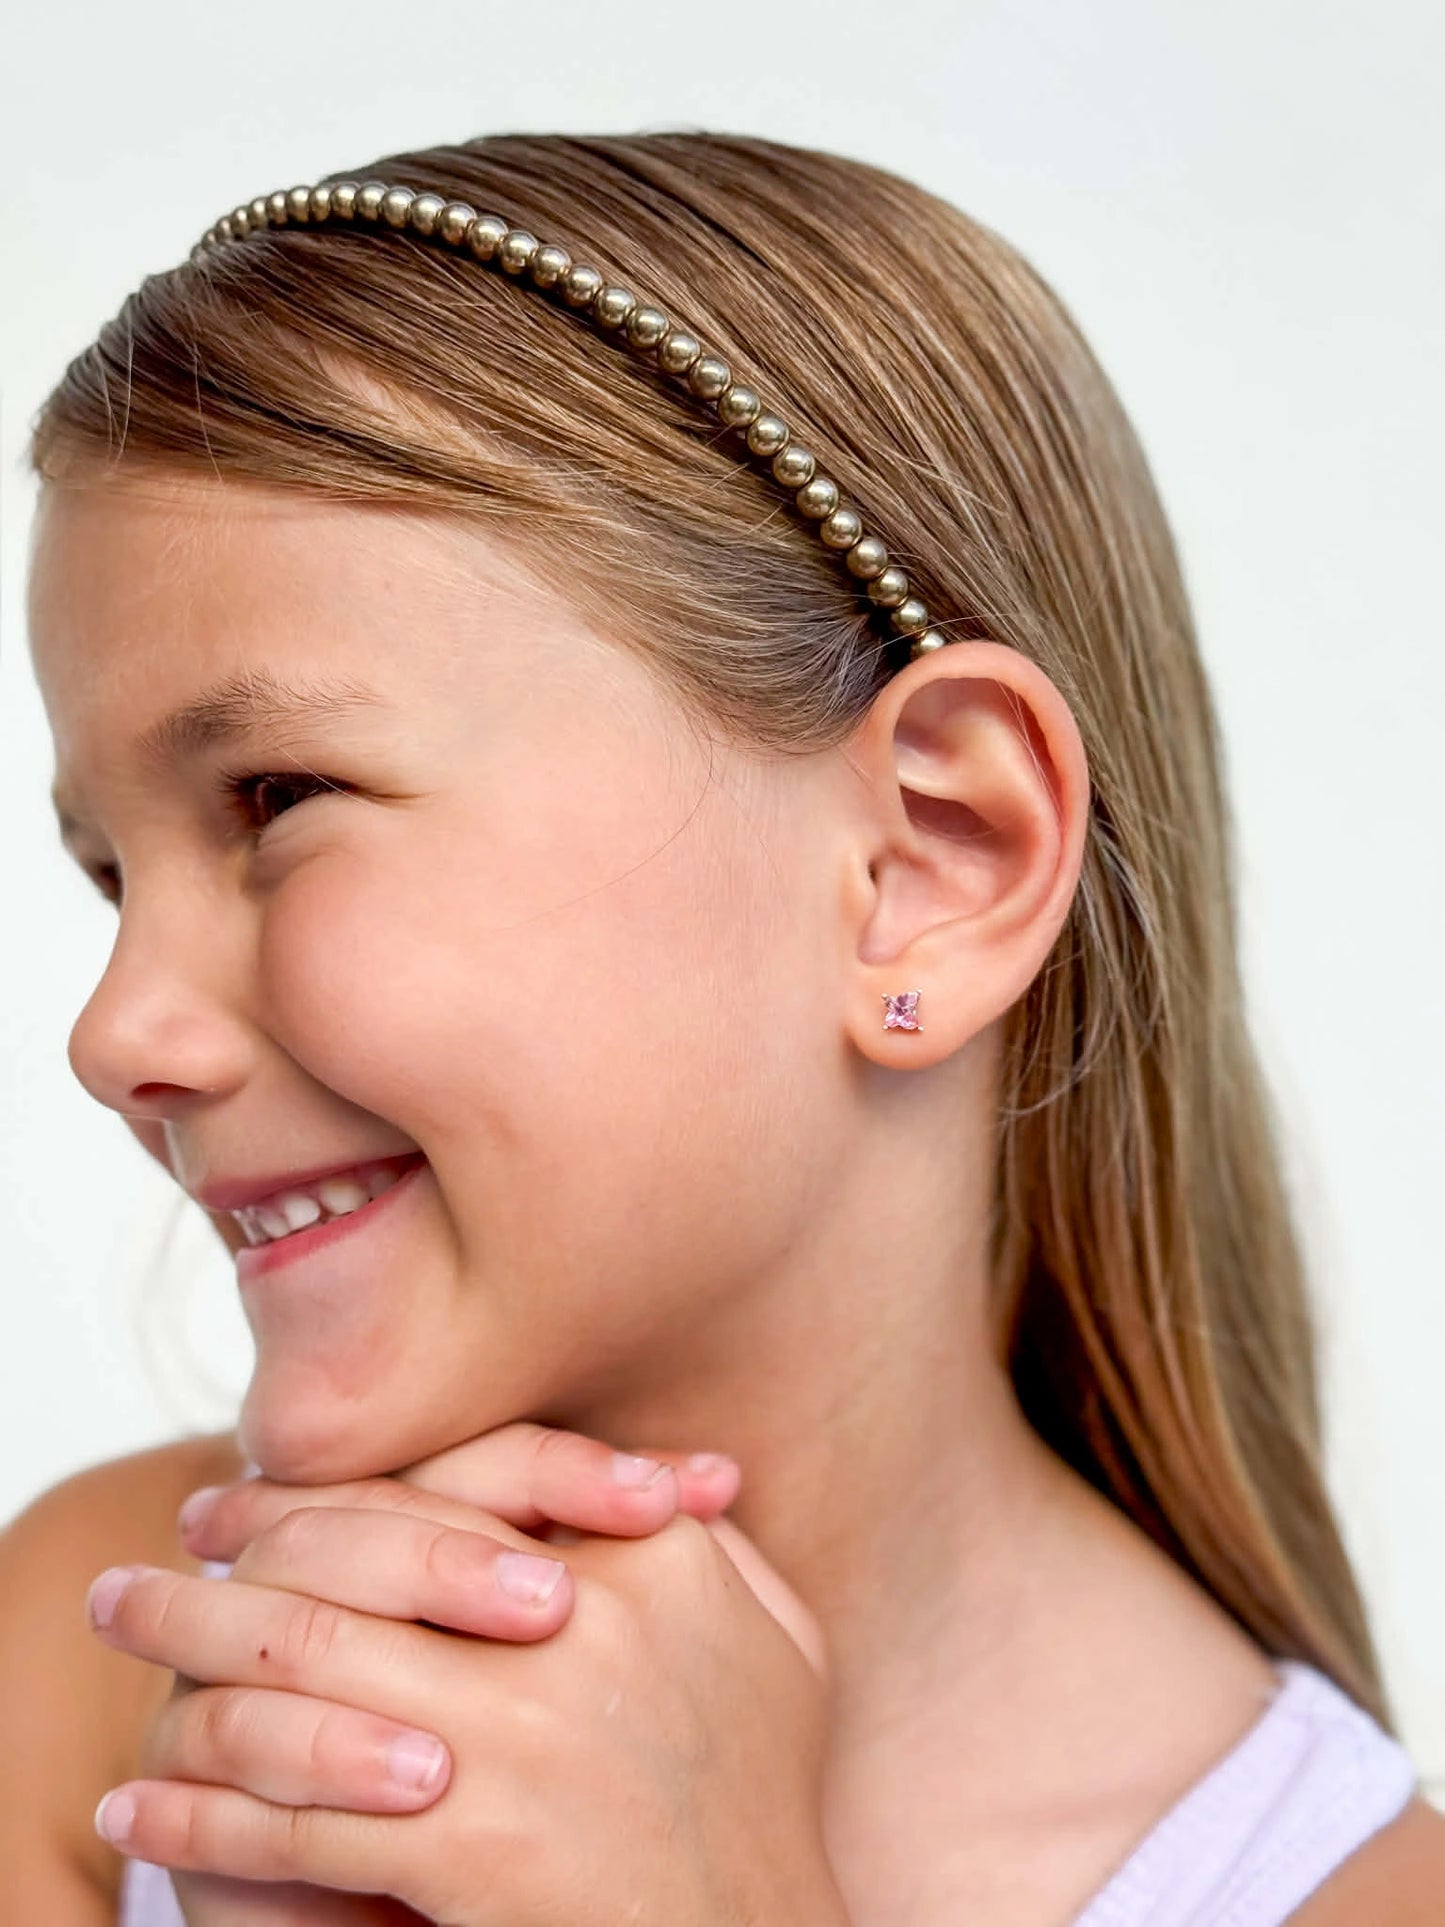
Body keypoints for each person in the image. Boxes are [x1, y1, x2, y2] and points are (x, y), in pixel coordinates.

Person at [2, 130, 1439, 1924]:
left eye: (278, 796)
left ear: (932, 862)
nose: (117, 1028)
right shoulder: (94, 1671)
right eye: (107, 876)